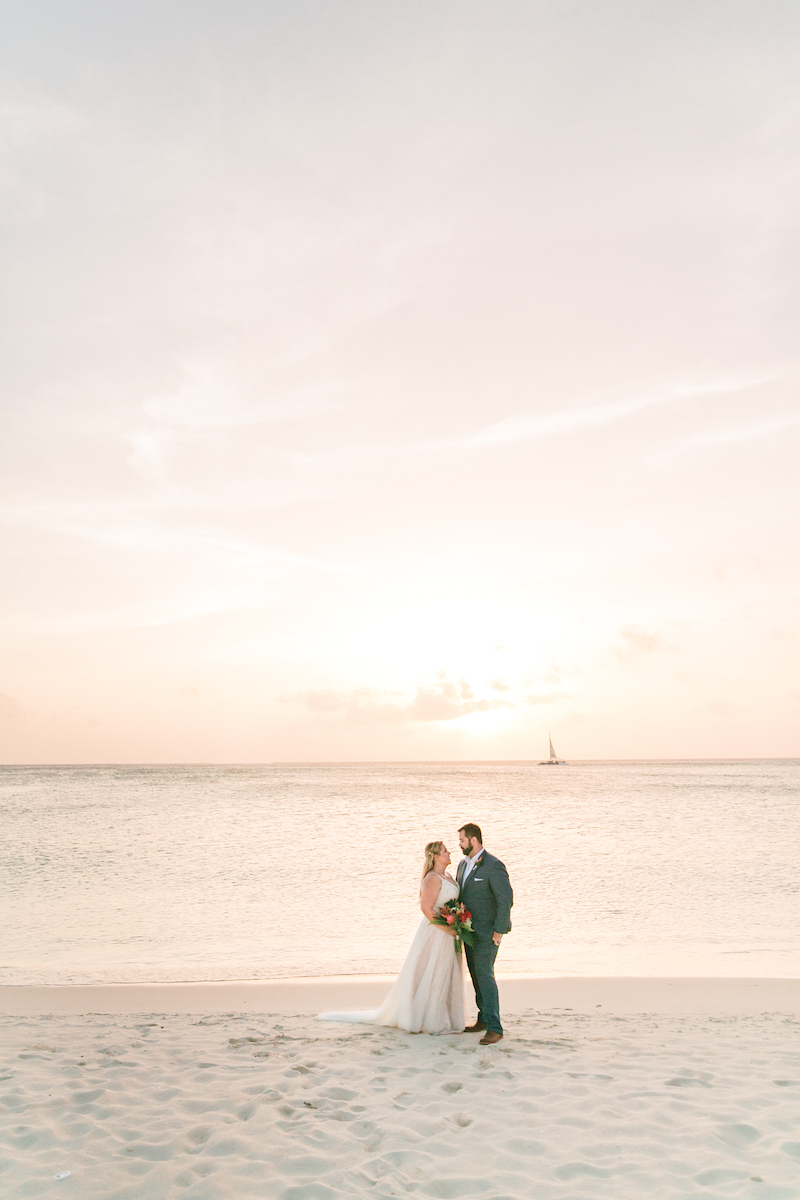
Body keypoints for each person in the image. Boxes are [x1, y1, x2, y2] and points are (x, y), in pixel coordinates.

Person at [319, 841, 465, 1034]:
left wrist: (457, 922)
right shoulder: (432, 878)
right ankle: (427, 1019)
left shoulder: (447, 876)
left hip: (449, 932)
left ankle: (445, 1016)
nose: (449, 853)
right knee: (430, 973)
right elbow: (426, 908)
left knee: (445, 973)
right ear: (436, 857)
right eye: (445, 851)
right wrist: (447, 928)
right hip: (435, 933)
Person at [456, 823, 513, 1045]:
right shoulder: (462, 865)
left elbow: (505, 899)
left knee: (485, 975)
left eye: (462, 840)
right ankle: (482, 1019)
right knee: (476, 976)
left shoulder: (493, 865)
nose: (459, 845)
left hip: (489, 933)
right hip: (469, 932)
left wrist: (499, 930)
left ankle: (495, 1027)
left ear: (473, 840)